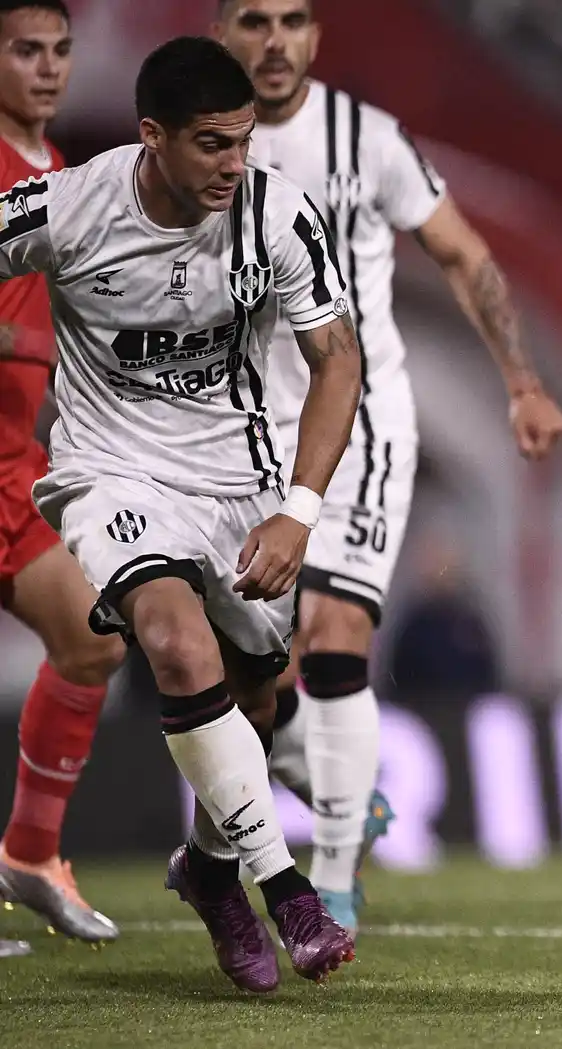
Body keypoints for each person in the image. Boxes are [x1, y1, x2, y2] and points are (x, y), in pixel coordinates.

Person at [0, 35, 363, 991]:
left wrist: (297, 510)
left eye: (243, 142)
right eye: (212, 144)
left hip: (236, 480)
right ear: (151, 135)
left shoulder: (279, 214)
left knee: (257, 692)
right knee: (174, 643)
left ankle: (208, 872)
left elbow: (338, 361)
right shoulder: (72, 207)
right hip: (109, 471)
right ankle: (284, 892)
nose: (233, 165)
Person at [213, 0, 562, 936]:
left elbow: (464, 252)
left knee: (335, 633)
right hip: (241, 437)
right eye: (254, 20)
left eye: (294, 20)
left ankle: (332, 878)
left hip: (363, 423)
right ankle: (324, 784)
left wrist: (523, 383)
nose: (276, 40)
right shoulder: (198, 150)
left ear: (317, 38)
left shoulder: (366, 139)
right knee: (239, 669)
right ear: (221, 34)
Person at [0, 0, 122, 948]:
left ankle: (29, 853)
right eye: (24, 50)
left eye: (59, 51)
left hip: (15, 465)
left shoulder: (71, 182)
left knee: (92, 638)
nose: (47, 68)